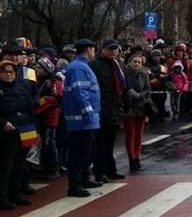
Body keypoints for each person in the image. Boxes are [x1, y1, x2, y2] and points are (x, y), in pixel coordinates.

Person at [62, 39, 102, 197]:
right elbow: (81, 92)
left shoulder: (81, 66)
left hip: (84, 119)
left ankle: (84, 178)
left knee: (87, 151)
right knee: (79, 152)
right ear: (88, 49)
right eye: (93, 49)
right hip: (81, 120)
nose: (94, 52)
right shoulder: (79, 67)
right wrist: (88, 113)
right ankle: (75, 185)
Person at [0, 59, 37, 209]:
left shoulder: (22, 86)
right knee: (6, 165)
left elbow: (31, 107)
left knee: (21, 163)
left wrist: (35, 128)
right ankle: (3, 197)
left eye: (11, 71)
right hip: (9, 130)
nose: (8, 75)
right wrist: (2, 123)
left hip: (26, 128)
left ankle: (16, 193)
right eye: (4, 71)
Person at [90, 39, 126, 181]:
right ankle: (100, 172)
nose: (113, 52)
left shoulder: (118, 65)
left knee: (110, 144)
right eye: (110, 49)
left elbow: (122, 88)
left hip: (114, 109)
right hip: (101, 109)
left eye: (115, 49)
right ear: (103, 49)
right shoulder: (95, 65)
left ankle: (111, 170)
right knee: (100, 145)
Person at [34, 57, 63, 180]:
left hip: (50, 118)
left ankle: (52, 169)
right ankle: (45, 167)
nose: (37, 69)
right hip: (41, 117)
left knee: (49, 143)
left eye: (40, 67)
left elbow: (57, 99)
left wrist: (40, 103)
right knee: (44, 144)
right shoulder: (39, 80)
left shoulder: (54, 81)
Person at [123, 54, 150, 172]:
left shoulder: (144, 74)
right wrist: (132, 95)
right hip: (129, 107)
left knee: (139, 134)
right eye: (134, 61)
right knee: (130, 134)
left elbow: (148, 88)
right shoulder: (125, 74)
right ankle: (131, 158)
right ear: (130, 62)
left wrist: (140, 96)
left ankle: (137, 156)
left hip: (141, 106)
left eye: (139, 62)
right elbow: (123, 89)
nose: (137, 64)